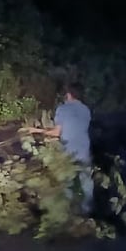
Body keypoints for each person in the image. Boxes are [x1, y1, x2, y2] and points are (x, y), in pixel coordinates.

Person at [26, 82, 94, 215]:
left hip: (69, 150)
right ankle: (88, 211)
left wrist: (34, 130)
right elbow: (77, 128)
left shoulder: (63, 109)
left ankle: (68, 213)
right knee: (86, 180)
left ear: (68, 95)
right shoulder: (86, 109)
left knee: (67, 181)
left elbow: (56, 133)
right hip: (84, 148)